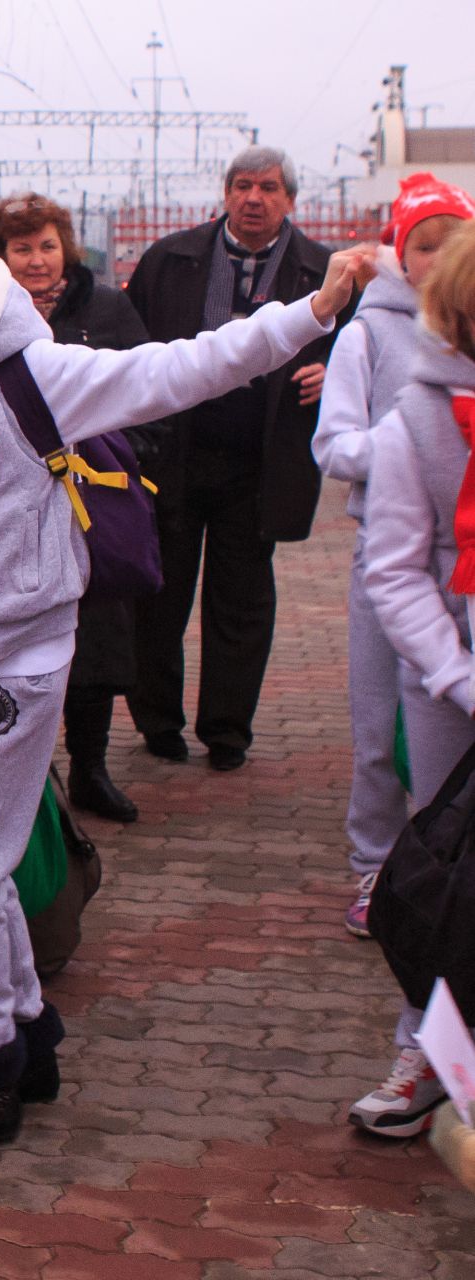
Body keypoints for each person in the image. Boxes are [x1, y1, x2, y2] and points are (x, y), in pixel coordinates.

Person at [0, 205, 369, 1161]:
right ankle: (28, 1038)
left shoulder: (35, 375)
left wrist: (307, 312)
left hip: (17, 661)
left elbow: (181, 366)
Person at [125, 146, 349, 772]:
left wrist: (331, 372)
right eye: (243, 185)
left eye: (270, 187)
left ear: (290, 200)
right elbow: (129, 344)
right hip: (174, 455)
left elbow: (362, 348)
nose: (255, 198)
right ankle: (158, 722)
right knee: (159, 593)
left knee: (242, 598)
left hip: (260, 460)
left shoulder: (322, 269)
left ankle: (228, 731)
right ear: (225, 194)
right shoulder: (169, 259)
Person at [314, 173, 475, 936]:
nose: (438, 260)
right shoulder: (366, 335)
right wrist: (414, 440)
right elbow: (334, 446)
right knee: (379, 728)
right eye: (423, 245)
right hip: (393, 558)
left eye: (454, 246)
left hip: (464, 567)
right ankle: (376, 864)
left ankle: (450, 875)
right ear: (399, 254)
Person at [0, 192, 165, 824]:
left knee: (99, 644)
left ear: (67, 248)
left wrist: (117, 454)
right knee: (21, 641)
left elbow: (146, 399)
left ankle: (90, 767)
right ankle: (30, 778)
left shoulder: (108, 308)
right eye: (21, 248)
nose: (36, 261)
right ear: (0, 256)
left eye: (46, 246)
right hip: (13, 509)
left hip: (93, 505)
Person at [356, 219, 475, 1139]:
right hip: (449, 691)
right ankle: (429, 1053)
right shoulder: (417, 420)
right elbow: (392, 568)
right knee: (450, 877)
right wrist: (454, 674)